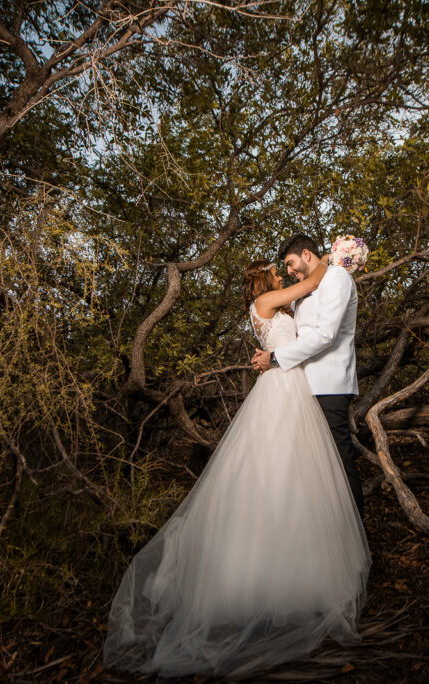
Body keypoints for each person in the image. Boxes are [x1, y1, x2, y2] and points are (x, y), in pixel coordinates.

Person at [102, 259, 370, 678]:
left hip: (289, 385)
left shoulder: (271, 309)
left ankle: (292, 571)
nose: (284, 277)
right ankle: (266, 581)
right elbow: (313, 281)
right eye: (278, 273)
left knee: (290, 476)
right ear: (265, 283)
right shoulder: (267, 301)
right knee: (274, 471)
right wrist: (337, 260)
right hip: (282, 390)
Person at [251, 233, 364, 517]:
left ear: (305, 254)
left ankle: (355, 534)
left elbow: (326, 335)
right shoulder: (306, 289)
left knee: (339, 461)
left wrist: (275, 358)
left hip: (329, 385)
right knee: (314, 469)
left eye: (289, 264)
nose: (288, 272)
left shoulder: (337, 278)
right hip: (303, 389)